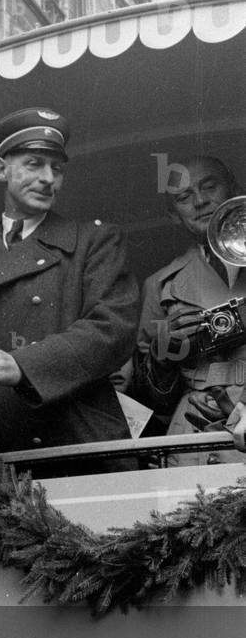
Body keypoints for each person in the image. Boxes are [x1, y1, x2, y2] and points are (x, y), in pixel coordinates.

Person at [0, 107, 139, 465]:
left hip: (75, 447)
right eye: (34, 163)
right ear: (1, 169)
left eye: (57, 168)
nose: (49, 178)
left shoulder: (95, 240)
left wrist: (23, 366)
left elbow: (113, 329)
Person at [134, 155, 246, 460]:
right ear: (174, 216)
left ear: (234, 189)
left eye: (209, 186)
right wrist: (162, 356)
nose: (199, 201)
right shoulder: (160, 284)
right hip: (195, 424)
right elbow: (149, 400)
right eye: (184, 197)